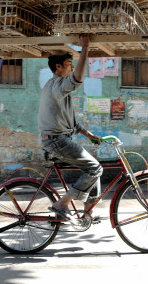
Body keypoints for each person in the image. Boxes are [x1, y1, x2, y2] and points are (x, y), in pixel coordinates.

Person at [38, 34, 102, 221]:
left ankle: (88, 212)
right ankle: (62, 203)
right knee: (95, 169)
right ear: (58, 67)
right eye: (68, 63)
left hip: (59, 139)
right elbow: (78, 78)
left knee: (92, 169)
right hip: (57, 141)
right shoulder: (57, 85)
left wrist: (88, 134)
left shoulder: (56, 87)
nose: (72, 67)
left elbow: (70, 122)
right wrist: (86, 48)